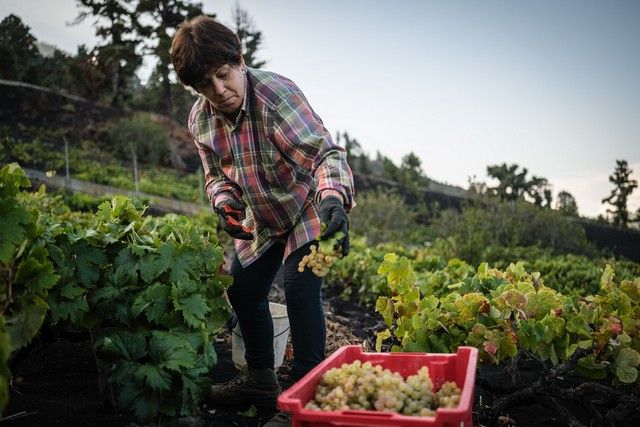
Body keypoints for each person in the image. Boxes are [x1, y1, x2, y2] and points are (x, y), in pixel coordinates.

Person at [171, 16, 355, 427]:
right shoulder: (201, 120)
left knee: (300, 289)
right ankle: (259, 380)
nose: (219, 91)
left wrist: (333, 199)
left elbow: (326, 154)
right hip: (263, 215)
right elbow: (215, 175)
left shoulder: (277, 96)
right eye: (205, 86)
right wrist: (226, 205)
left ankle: (304, 403)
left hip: (308, 204)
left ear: (238, 60)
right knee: (243, 291)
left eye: (223, 75)